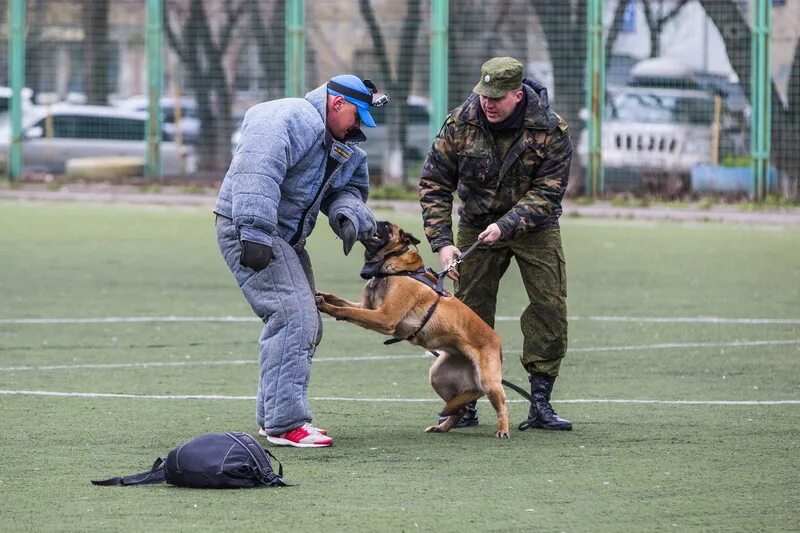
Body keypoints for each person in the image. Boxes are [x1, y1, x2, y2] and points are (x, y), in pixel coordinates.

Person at [214, 75, 386, 447]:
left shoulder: (346, 146)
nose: (359, 127)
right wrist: (256, 231)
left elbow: (349, 191)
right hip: (249, 228)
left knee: (305, 322)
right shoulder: (288, 116)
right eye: (357, 116)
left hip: (284, 236)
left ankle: (273, 418)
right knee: (293, 318)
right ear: (337, 104)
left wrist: (349, 215)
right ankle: (285, 424)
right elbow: (257, 170)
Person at [419, 56, 573, 431]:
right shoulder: (460, 123)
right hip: (475, 224)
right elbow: (435, 184)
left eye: (498, 97)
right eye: (484, 94)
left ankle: (540, 403)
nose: (488, 102)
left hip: (534, 228)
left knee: (549, 307)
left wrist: (505, 225)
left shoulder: (551, 129)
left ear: (518, 95)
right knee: (467, 316)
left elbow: (548, 193)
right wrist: (442, 242)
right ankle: (464, 403)